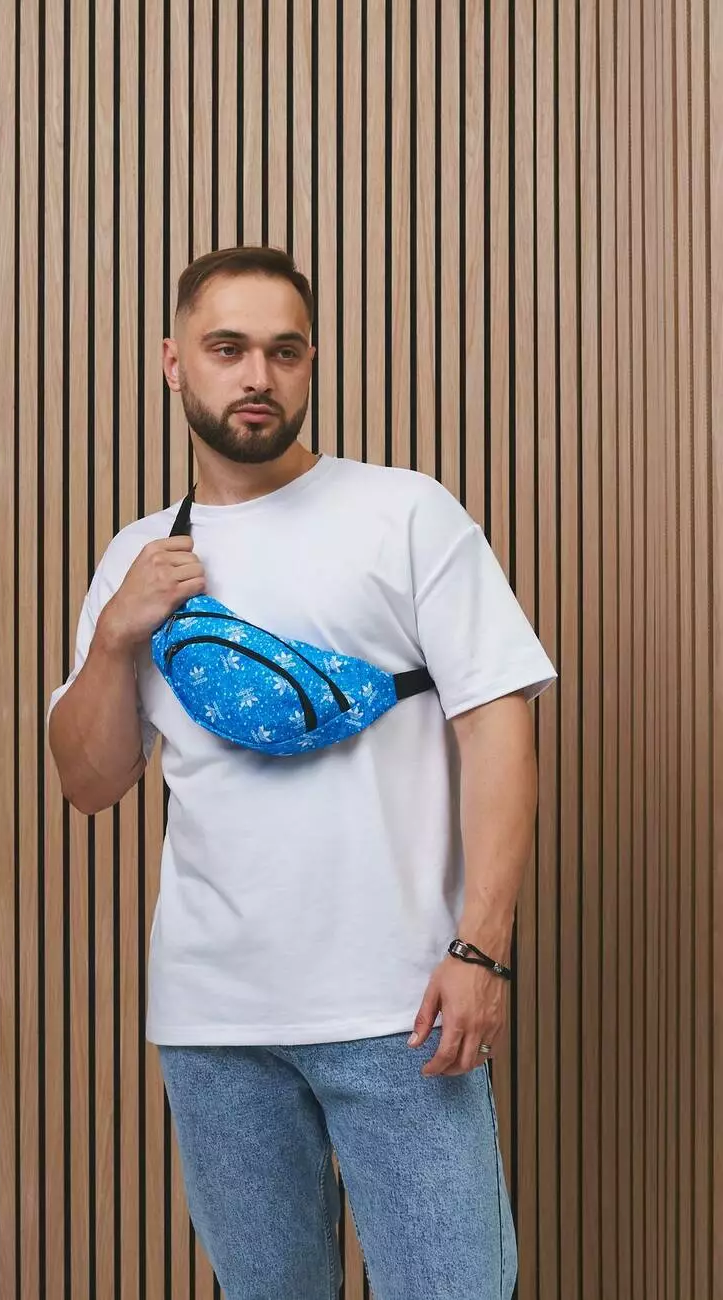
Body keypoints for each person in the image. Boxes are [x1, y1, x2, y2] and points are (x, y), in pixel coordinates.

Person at [48, 245, 557, 1299]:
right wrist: (113, 635)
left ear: (310, 363)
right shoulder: (138, 556)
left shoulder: (403, 512)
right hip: (213, 1020)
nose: (256, 376)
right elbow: (90, 781)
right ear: (172, 362)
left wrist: (481, 949)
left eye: (283, 352)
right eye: (226, 348)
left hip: (400, 1006)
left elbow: (496, 724)